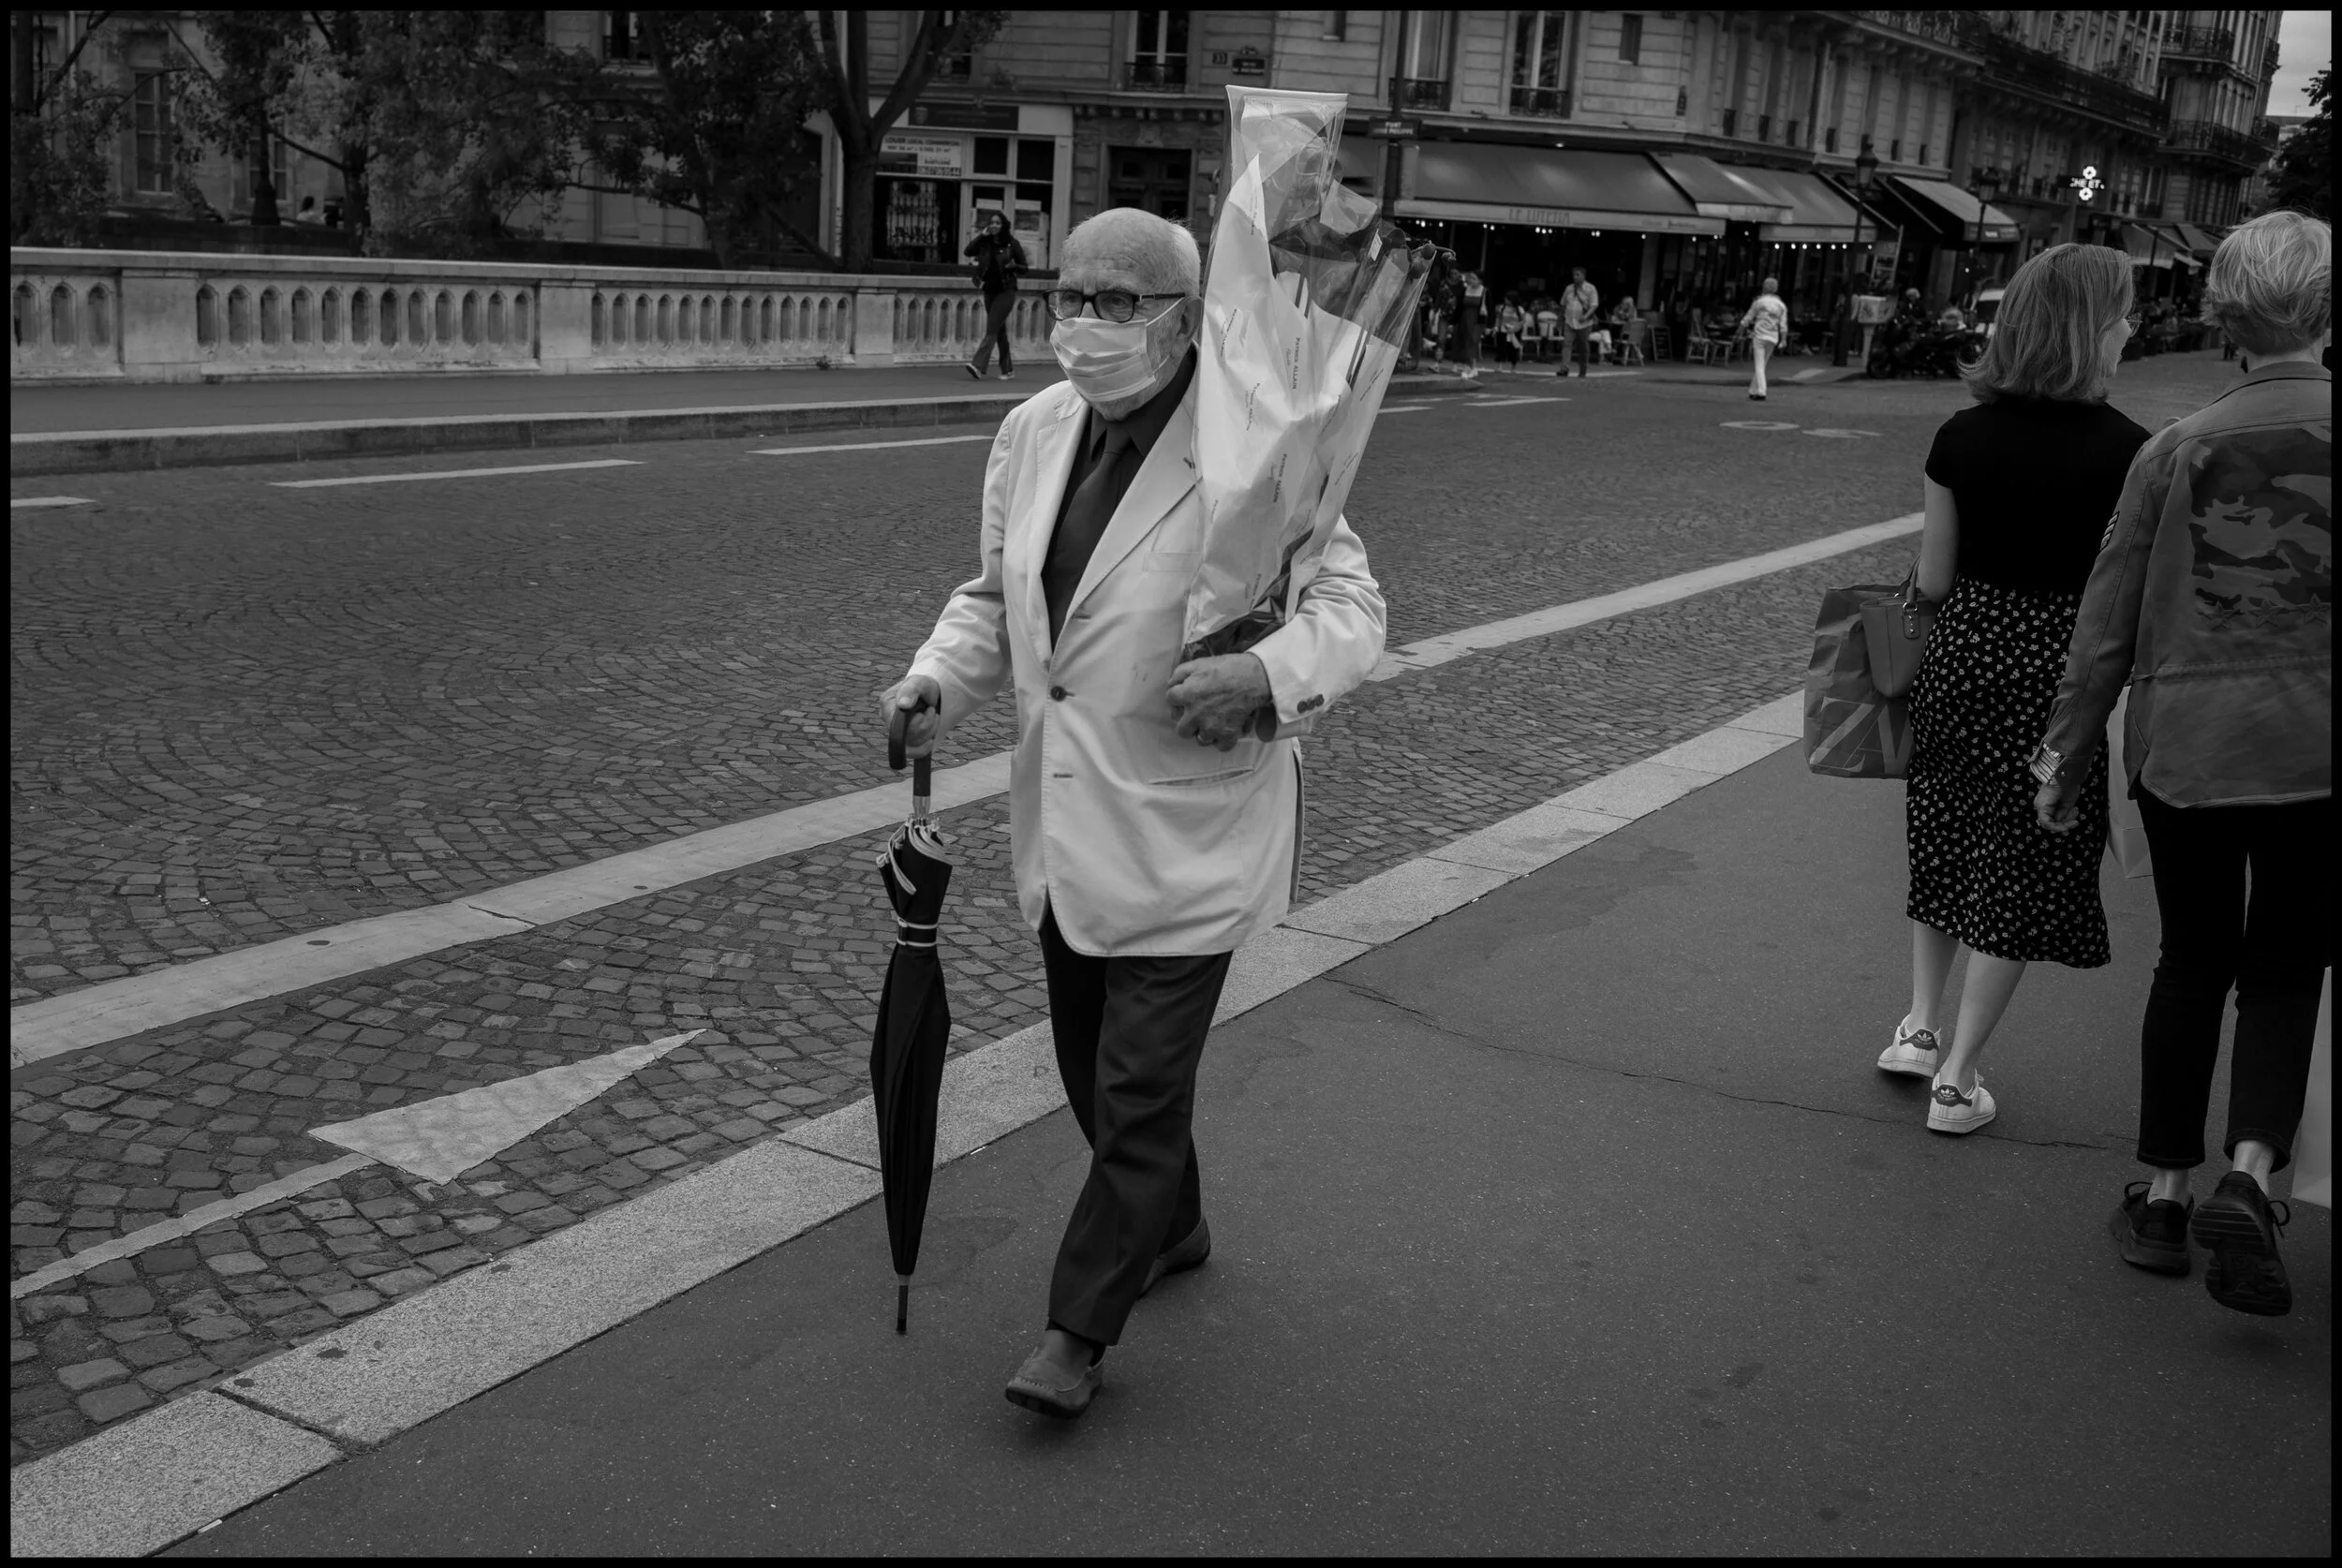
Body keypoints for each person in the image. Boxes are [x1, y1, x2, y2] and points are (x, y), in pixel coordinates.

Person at [882, 208, 1387, 1417]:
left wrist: (1262, 673)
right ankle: (1177, 1222)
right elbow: (994, 596)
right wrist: (935, 679)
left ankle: (1077, 1328)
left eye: (1117, 301)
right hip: (1067, 824)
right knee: (1093, 1073)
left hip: (1191, 824)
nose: (1084, 324)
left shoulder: (1262, 440)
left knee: (1141, 1084)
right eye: (1070, 295)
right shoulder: (1033, 427)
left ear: (1182, 315)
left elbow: (1352, 606)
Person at [2032, 211, 2332, 1317]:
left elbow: (2103, 624)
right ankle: (2248, 1174)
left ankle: (2163, 1197)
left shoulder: (2171, 450)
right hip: (2319, 750)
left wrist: (2063, 758)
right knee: (2288, 963)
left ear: (2224, 319)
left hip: (2190, 750)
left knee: (2192, 958)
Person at [1878, 244, 2149, 1137]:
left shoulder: (1960, 436)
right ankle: (1958, 1081)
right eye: (2123, 314)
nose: (2131, 328)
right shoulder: (2132, 452)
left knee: (1947, 841)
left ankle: (1919, 1030)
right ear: (2090, 329)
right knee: (2023, 867)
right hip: (2058, 678)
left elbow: (1931, 579)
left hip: (1961, 661)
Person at [962, 211, 1027, 381]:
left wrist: (1014, 266)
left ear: (1003, 225)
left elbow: (1024, 267)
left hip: (1006, 291)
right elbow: (968, 252)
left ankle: (977, 366)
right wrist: (981, 236)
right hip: (988, 290)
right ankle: (1008, 369)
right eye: (991, 223)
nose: (994, 226)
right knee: (999, 330)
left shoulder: (1012, 244)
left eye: (997, 223)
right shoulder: (985, 243)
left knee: (992, 328)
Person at [1740, 275, 1788, 400]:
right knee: (1762, 364)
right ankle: (1753, 390)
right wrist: (1783, 339)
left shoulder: (1759, 302)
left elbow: (1747, 319)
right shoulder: (1781, 305)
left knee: (1759, 365)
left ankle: (1761, 391)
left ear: (1764, 288)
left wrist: (1739, 332)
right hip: (1773, 337)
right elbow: (1783, 325)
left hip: (1760, 335)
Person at [1556, 266, 1600, 378]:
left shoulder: (1590, 288)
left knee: (1583, 346)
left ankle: (1583, 369)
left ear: (1583, 276)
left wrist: (1586, 316)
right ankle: (1564, 368)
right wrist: (1560, 319)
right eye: (1574, 275)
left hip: (1584, 323)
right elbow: (1563, 304)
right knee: (1567, 344)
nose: (1575, 277)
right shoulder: (1569, 288)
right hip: (1569, 321)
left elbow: (1594, 305)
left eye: (1578, 275)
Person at [1455, 268, 1486, 377]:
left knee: (1472, 342)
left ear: (1480, 280)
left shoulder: (1484, 291)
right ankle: (1472, 367)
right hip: (1465, 319)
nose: (1471, 280)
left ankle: (1469, 367)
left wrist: (1490, 326)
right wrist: (1454, 321)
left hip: (1477, 321)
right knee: (1465, 342)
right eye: (1470, 278)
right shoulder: (1465, 289)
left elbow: (1490, 309)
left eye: (1474, 278)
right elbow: (1459, 306)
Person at [1494, 291, 1527, 367]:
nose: (1505, 300)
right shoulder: (1502, 308)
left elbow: (1523, 320)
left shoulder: (1519, 309)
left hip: (1514, 331)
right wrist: (1496, 327)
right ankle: (1500, 366)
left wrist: (1516, 328)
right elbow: (1499, 318)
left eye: (1507, 299)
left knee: (1513, 349)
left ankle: (1513, 366)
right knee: (1501, 348)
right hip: (1503, 330)